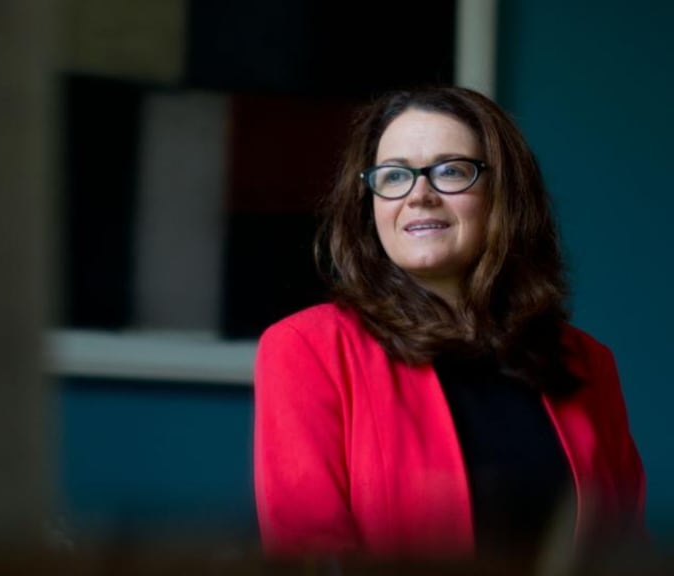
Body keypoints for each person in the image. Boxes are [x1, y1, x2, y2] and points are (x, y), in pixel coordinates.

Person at [253, 86, 645, 562]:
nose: (419, 195)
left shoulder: (588, 364)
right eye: (394, 175)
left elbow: (625, 553)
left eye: (451, 171)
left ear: (505, 194)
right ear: (369, 203)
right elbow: (311, 555)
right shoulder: (307, 349)